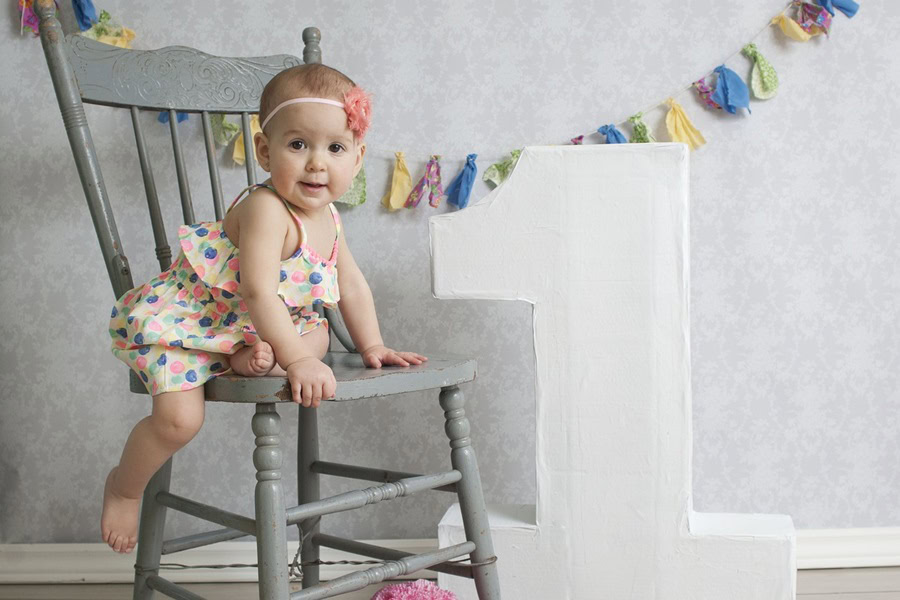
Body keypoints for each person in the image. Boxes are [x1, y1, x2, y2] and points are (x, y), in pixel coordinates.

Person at [101, 64, 427, 554]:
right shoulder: (265, 208)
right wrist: (294, 358)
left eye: (335, 148)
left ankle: (250, 357)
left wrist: (372, 344)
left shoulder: (330, 217)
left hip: (266, 329)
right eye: (298, 145)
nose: (317, 164)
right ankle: (123, 488)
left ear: (357, 159)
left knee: (316, 335)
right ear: (263, 150)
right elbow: (256, 290)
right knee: (178, 422)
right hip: (198, 323)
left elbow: (352, 284)